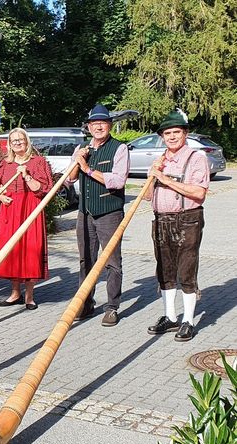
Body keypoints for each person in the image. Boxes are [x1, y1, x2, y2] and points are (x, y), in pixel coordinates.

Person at [144, 110, 209, 341]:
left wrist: (165, 179)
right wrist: (152, 176)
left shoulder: (196, 158)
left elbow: (199, 193)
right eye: (167, 133)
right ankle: (170, 317)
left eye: (176, 132)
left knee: (186, 271)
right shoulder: (159, 160)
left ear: (185, 133)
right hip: (160, 220)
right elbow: (147, 196)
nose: (171, 137)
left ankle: (188, 320)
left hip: (187, 219)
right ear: (162, 136)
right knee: (165, 271)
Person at [69, 104, 130, 326]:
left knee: (112, 261)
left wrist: (86, 168)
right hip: (84, 213)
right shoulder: (82, 148)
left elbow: (118, 181)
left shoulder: (119, 148)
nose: (98, 127)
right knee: (86, 259)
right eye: (94, 124)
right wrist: (77, 161)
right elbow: (70, 179)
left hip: (109, 213)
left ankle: (112, 307)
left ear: (109, 125)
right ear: (89, 127)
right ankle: (85, 304)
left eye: (102, 123)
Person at [0, 128, 53, 309]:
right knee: (12, 250)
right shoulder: (5, 163)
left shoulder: (38, 162)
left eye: (21, 139)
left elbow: (43, 189)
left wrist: (26, 175)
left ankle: (29, 296)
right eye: (14, 140)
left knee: (30, 249)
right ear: (9, 144)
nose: (18, 143)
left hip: (30, 208)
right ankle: (15, 293)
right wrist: (1, 196)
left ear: (27, 141)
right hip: (10, 210)